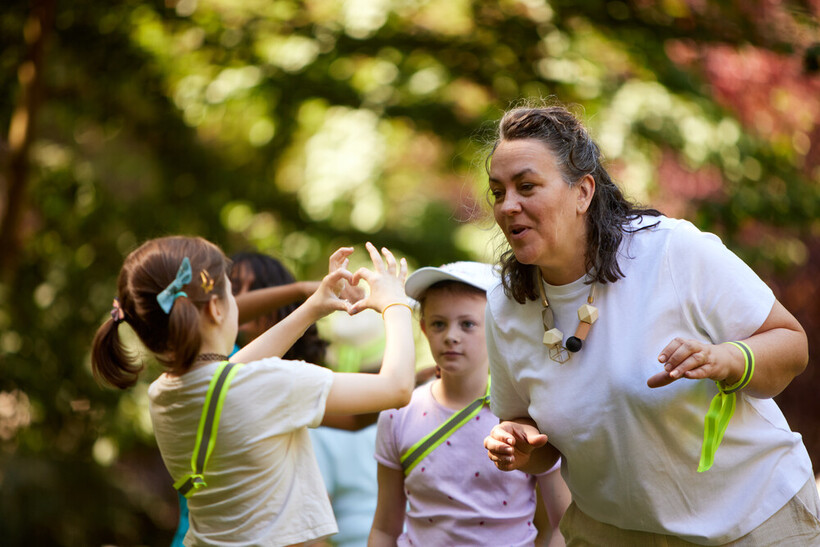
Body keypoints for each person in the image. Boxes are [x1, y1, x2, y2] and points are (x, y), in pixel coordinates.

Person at [482, 103, 818, 545]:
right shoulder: (505, 304)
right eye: (498, 192)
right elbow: (532, 433)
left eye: (526, 186)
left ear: (583, 192)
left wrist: (729, 358)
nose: (508, 206)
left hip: (752, 521)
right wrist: (519, 444)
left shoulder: (671, 251)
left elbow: (792, 343)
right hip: (611, 533)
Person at [91, 236, 416, 546]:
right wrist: (395, 303)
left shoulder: (163, 392)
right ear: (216, 309)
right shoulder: (268, 383)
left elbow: (232, 373)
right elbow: (397, 388)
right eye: (232, 294)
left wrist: (313, 306)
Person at [369, 261, 571, 546]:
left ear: (496, 329)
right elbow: (384, 530)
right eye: (439, 324)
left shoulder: (526, 414)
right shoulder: (397, 414)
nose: (451, 336)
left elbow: (563, 524)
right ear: (425, 329)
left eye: (467, 324)